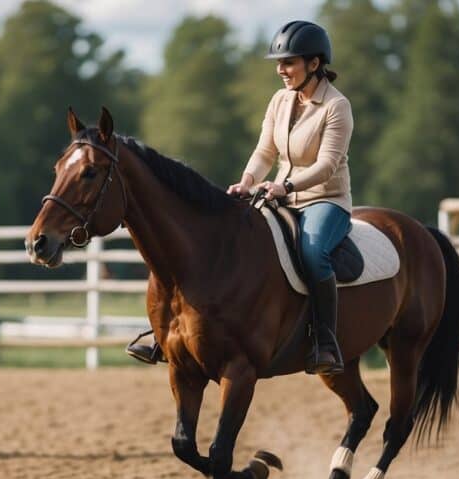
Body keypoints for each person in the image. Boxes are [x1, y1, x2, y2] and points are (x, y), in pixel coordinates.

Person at [127, 20, 352, 375]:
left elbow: (327, 165)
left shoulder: (336, 107)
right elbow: (265, 151)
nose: (281, 70)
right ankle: (165, 332)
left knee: (313, 254)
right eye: (279, 63)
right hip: (278, 194)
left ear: (314, 63)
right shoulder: (281, 100)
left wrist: (288, 187)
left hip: (325, 200)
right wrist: (248, 180)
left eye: (289, 62)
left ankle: (325, 341)